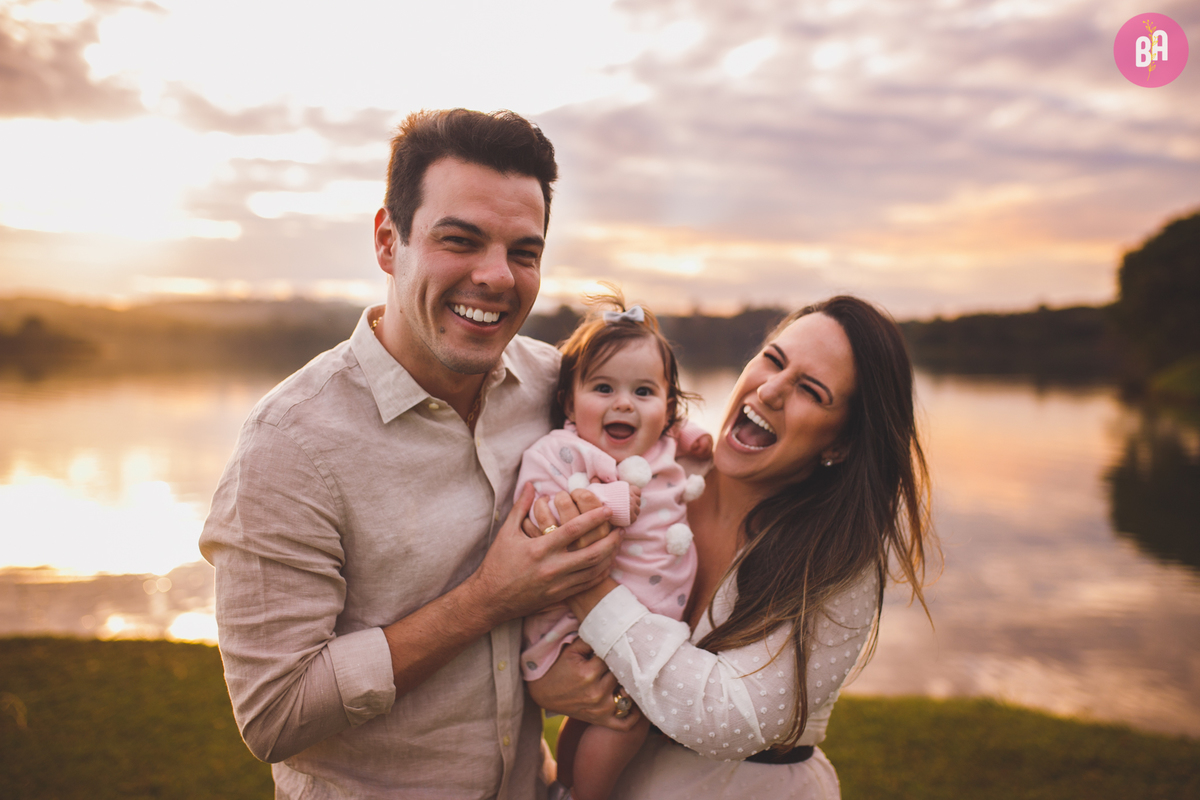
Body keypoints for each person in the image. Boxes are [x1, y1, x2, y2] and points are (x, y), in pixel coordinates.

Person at [199, 108, 634, 799]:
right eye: (459, 241)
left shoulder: (559, 388)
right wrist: (488, 600)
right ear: (387, 241)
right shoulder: (289, 447)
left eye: (524, 252)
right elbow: (273, 716)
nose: (497, 277)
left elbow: (677, 478)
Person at [528, 296, 936, 798]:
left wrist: (587, 586)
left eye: (810, 390)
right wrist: (543, 687)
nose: (769, 390)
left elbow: (729, 717)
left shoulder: (836, 560)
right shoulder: (663, 473)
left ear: (841, 443)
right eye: (773, 358)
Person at [515, 290, 711, 800]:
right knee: (627, 722)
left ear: (667, 407)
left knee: (595, 717)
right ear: (568, 401)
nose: (624, 403)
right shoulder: (563, 452)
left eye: (643, 392)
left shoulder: (663, 442)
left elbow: (676, 430)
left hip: (636, 626)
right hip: (580, 628)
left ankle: (565, 785)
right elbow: (541, 514)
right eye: (603, 388)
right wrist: (611, 503)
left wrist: (695, 440)